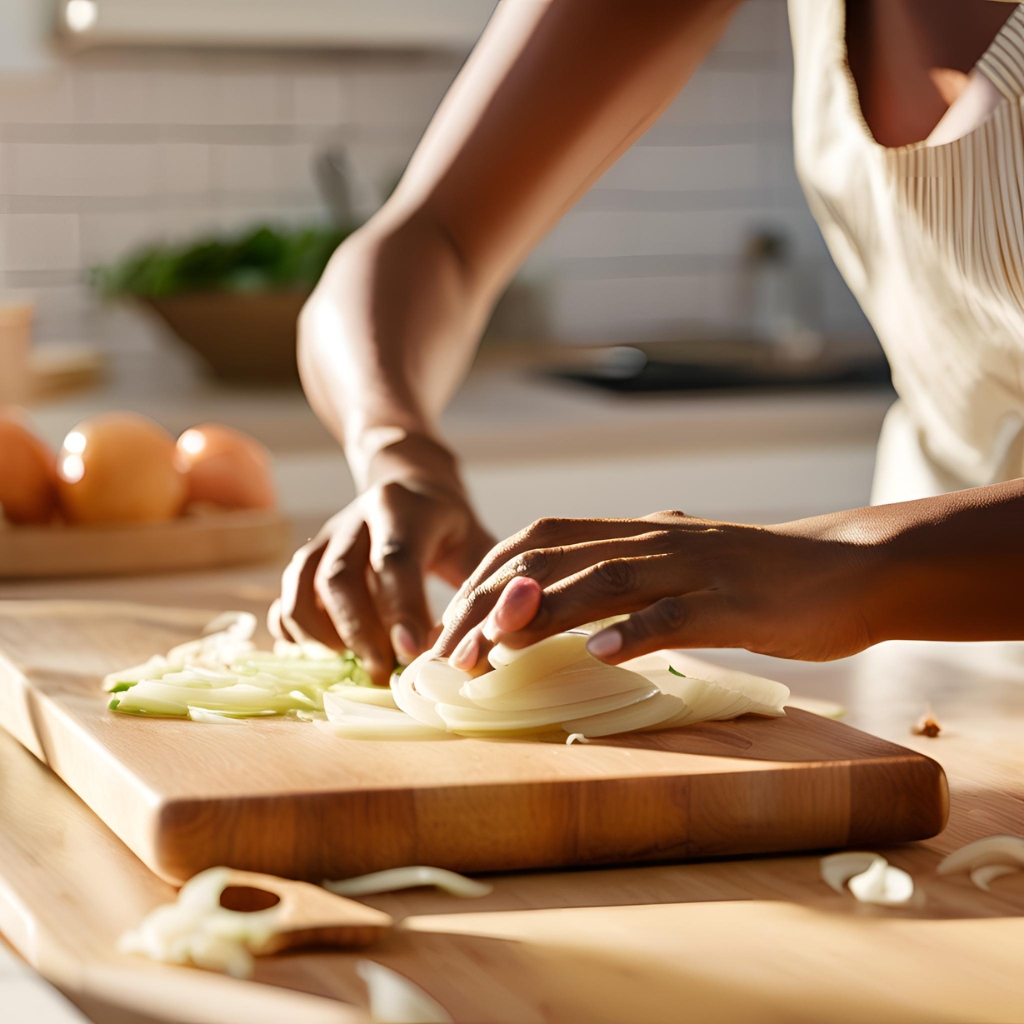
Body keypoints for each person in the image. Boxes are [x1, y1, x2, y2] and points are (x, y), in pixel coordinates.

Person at [274, 0, 1024, 684]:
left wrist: (862, 565)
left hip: (895, 604)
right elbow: (429, 236)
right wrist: (401, 453)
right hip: (928, 672)